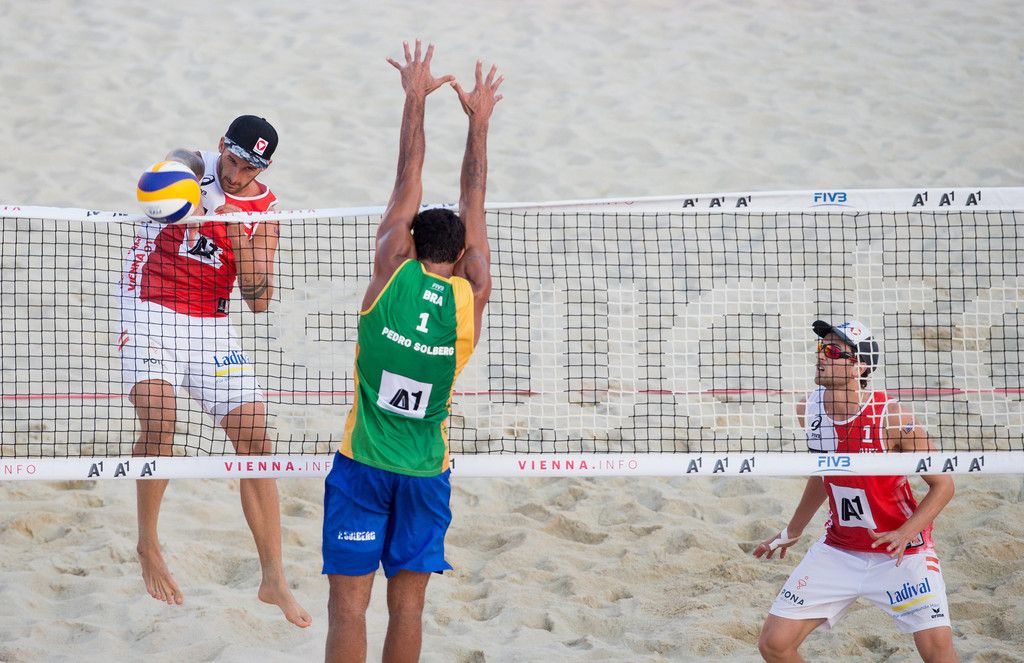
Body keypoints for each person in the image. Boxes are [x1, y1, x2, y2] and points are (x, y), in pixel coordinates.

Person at [321, 40, 502, 663]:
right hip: (426, 473)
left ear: (407, 243)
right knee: (409, 609)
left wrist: (414, 99)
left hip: (363, 466)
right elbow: (473, 199)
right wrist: (479, 122)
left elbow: (408, 177)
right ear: (463, 257)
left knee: (348, 609)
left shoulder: (388, 273)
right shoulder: (472, 298)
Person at [117, 115, 311, 627]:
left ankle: (273, 578)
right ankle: (148, 544)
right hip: (150, 306)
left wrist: (236, 234)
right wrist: (197, 205)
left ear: (264, 168)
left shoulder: (266, 213)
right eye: (233, 160)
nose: (237, 173)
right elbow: (158, 180)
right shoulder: (192, 165)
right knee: (160, 419)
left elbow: (259, 301)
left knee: (256, 439)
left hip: (211, 324)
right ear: (222, 145)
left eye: (250, 168)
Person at [753, 320, 957, 662]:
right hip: (839, 550)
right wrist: (793, 530)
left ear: (860, 366)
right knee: (774, 644)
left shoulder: (892, 417)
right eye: (822, 348)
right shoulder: (809, 408)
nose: (821, 356)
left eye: (833, 351)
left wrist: (906, 532)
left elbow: (944, 485)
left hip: (900, 553)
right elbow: (824, 473)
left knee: (938, 654)